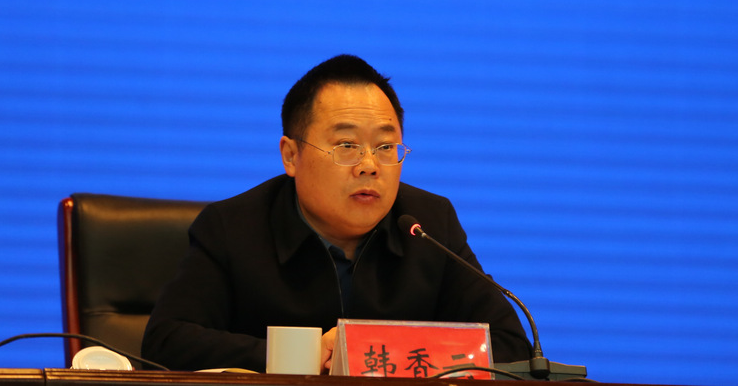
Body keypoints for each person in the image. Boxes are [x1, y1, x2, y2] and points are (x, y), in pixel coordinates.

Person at [142, 55, 531, 372]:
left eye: (385, 147)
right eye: (346, 145)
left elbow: (509, 345)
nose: (369, 166)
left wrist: (369, 351)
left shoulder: (427, 223)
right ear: (291, 155)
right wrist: (302, 355)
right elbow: (166, 342)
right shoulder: (233, 227)